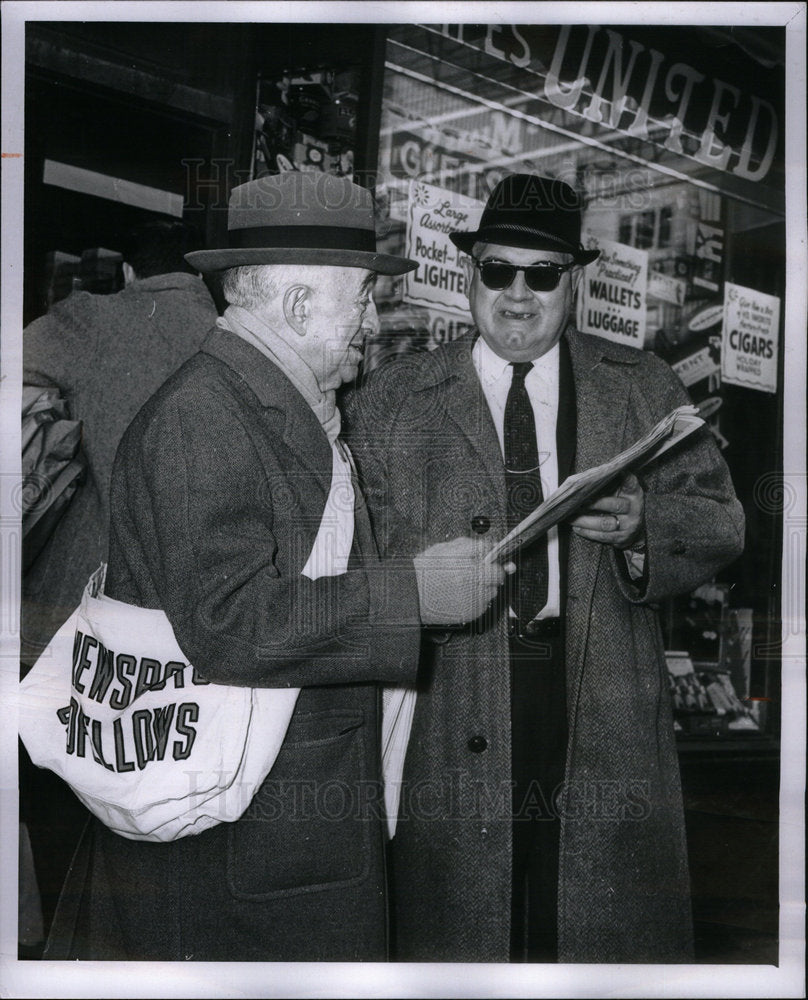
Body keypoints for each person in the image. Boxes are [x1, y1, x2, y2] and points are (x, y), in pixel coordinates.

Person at [44, 171, 504, 962]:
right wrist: (415, 594)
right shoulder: (206, 413)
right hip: (240, 859)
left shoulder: (272, 400)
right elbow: (228, 622)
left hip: (276, 838)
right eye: (360, 298)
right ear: (296, 307)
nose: (372, 318)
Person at [346, 173, 745, 964]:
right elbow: (355, 562)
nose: (518, 295)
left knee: (593, 928)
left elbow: (722, 521)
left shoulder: (642, 387)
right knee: (459, 926)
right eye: (497, 271)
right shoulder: (391, 402)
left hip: (601, 694)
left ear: (576, 283)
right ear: (469, 275)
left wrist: (645, 526)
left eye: (543, 275)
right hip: (446, 692)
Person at [19, 216, 218, 953]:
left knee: (51, 790)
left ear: (131, 273)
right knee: (137, 815)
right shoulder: (229, 338)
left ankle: (47, 955)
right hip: (179, 641)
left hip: (68, 623)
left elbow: (17, 364)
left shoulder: (95, 318)